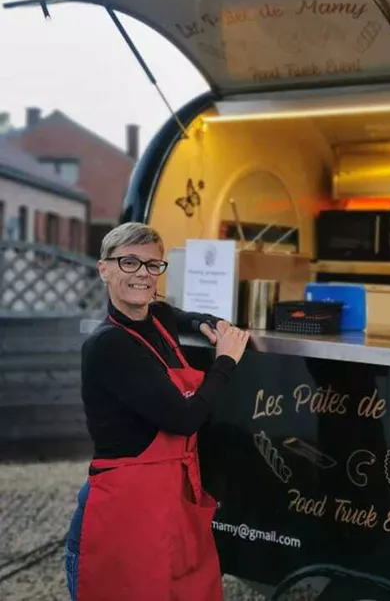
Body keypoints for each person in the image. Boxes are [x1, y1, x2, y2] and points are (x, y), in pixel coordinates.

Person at [64, 222, 250, 601]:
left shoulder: (158, 319)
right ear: (104, 269)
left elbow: (178, 315)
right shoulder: (108, 346)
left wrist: (208, 323)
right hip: (124, 508)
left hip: (168, 499)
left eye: (153, 265)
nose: (143, 275)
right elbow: (183, 419)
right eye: (129, 263)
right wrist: (226, 361)